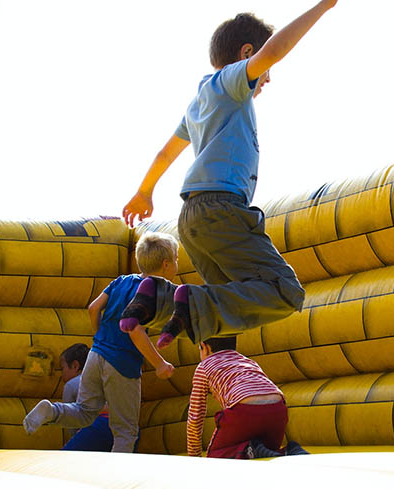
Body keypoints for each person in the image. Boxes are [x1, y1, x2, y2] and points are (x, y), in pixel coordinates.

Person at [119, 1, 338, 349]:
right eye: (264, 68)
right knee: (284, 291)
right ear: (248, 52)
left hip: (191, 219)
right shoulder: (231, 83)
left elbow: (166, 152)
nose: (268, 77)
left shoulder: (199, 102)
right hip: (221, 210)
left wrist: (144, 192)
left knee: (224, 310)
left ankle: (162, 300)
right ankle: (190, 303)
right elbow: (276, 50)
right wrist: (324, 7)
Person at [23, 232, 178, 452]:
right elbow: (134, 329)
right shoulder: (153, 292)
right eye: (176, 259)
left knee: (85, 412)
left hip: (96, 355)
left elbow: (93, 308)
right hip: (122, 362)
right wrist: (159, 363)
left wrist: (100, 338)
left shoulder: (121, 281)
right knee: (125, 431)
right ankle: (117, 481)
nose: (177, 265)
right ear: (165, 265)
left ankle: (52, 411)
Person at [186, 336, 308, 458]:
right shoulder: (248, 362)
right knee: (267, 452)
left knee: (216, 458)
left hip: (244, 410)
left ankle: (248, 451)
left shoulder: (204, 367)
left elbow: (196, 415)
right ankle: (290, 451)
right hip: (278, 410)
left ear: (204, 347)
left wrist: (194, 457)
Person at [57, 343, 115, 451]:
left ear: (75, 366)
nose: (61, 375)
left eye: (62, 368)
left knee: (64, 459)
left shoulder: (71, 385)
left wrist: (75, 440)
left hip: (98, 425)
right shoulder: (105, 378)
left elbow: (70, 421)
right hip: (122, 427)